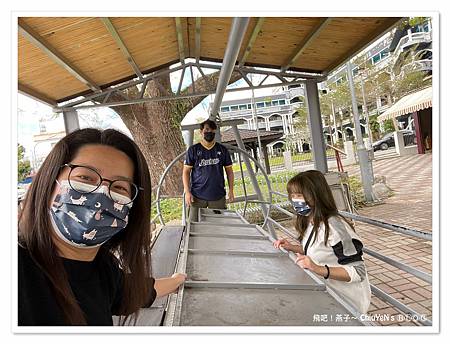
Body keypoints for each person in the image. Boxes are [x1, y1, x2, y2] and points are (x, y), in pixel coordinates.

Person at [18, 128, 186, 326]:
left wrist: (177, 280)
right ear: (49, 181)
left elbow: (136, 292)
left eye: (119, 187)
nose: (101, 194)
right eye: (86, 178)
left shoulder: (104, 269)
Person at [273, 170, 371, 314]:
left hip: (348, 303)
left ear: (316, 195)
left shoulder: (335, 227)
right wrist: (291, 247)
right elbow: (320, 250)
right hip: (329, 296)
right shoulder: (312, 221)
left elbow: (358, 271)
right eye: (292, 195)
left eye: (299, 195)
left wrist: (317, 268)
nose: (295, 200)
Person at [183, 119, 234, 222]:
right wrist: (187, 192)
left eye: (212, 130)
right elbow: (186, 172)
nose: (209, 132)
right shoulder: (193, 150)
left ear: (215, 131)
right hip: (197, 196)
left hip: (218, 196)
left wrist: (231, 190)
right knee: (193, 225)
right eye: (206, 129)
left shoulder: (222, 150)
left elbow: (229, 171)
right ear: (201, 132)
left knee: (219, 226)